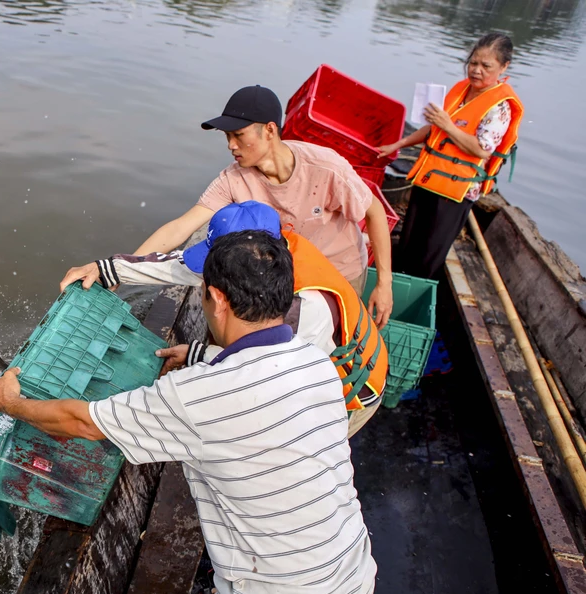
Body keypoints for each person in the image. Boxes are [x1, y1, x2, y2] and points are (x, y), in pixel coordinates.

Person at [0, 231, 375, 594]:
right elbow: (252, 385)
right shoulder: (317, 362)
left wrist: (11, 403)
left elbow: (84, 422)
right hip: (351, 582)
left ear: (215, 298)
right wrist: (199, 354)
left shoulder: (200, 397)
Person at [60, 200, 387, 436]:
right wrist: (107, 268)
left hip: (349, 385)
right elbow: (181, 266)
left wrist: (202, 361)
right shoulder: (269, 252)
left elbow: (276, 375)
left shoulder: (304, 307)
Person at [127, 85, 394, 328]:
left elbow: (374, 212)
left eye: (239, 135)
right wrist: (124, 268)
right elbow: (180, 227)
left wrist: (384, 284)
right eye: (227, 136)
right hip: (284, 274)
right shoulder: (233, 179)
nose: (231, 145)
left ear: (269, 130)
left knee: (320, 340)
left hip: (337, 273)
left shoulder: (324, 167)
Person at [379, 32, 523, 279]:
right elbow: (434, 128)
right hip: (430, 180)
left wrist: (447, 125)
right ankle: (396, 287)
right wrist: (398, 144)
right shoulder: (461, 91)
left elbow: (482, 149)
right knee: (408, 246)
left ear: (503, 66)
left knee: (428, 257)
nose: (476, 70)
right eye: (473, 63)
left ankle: (415, 297)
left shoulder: (499, 107)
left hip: (456, 192)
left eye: (486, 66)